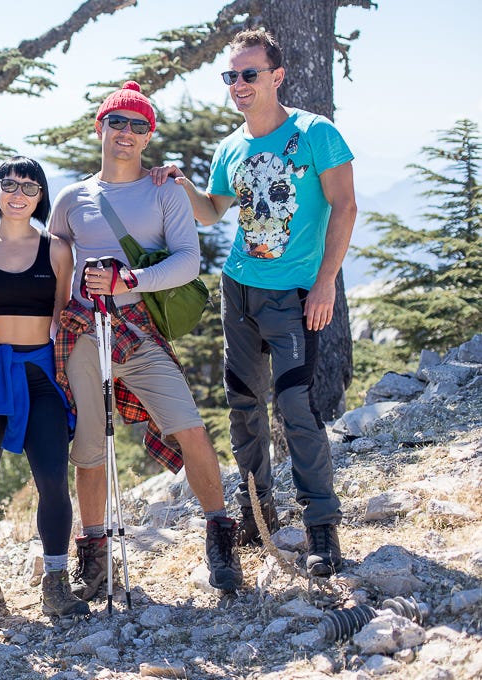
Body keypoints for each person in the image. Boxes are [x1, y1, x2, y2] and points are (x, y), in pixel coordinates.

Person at [151, 29, 356, 577]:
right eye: (231, 76)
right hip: (238, 289)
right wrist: (182, 183)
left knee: (296, 407)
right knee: (243, 406)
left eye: (249, 74)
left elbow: (345, 207)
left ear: (276, 76)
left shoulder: (315, 133)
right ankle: (256, 515)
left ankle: (321, 527)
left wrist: (326, 282)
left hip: (295, 293)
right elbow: (212, 210)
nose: (238, 84)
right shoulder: (231, 147)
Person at [48, 81, 244, 598]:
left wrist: (129, 280)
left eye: (139, 126)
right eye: (118, 122)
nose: (127, 133)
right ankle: (94, 557)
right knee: (89, 445)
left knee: (189, 426)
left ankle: (221, 538)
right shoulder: (70, 199)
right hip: (83, 329)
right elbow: (54, 266)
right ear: (101, 127)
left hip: (138, 328)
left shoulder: (165, 191)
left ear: (149, 136)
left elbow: (188, 262)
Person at [0, 156, 89, 619]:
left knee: (53, 480)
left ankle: (56, 583)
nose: (18, 194)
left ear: (41, 196)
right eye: (9, 184)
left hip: (40, 376)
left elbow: (61, 312)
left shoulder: (57, 250)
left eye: (29, 186)